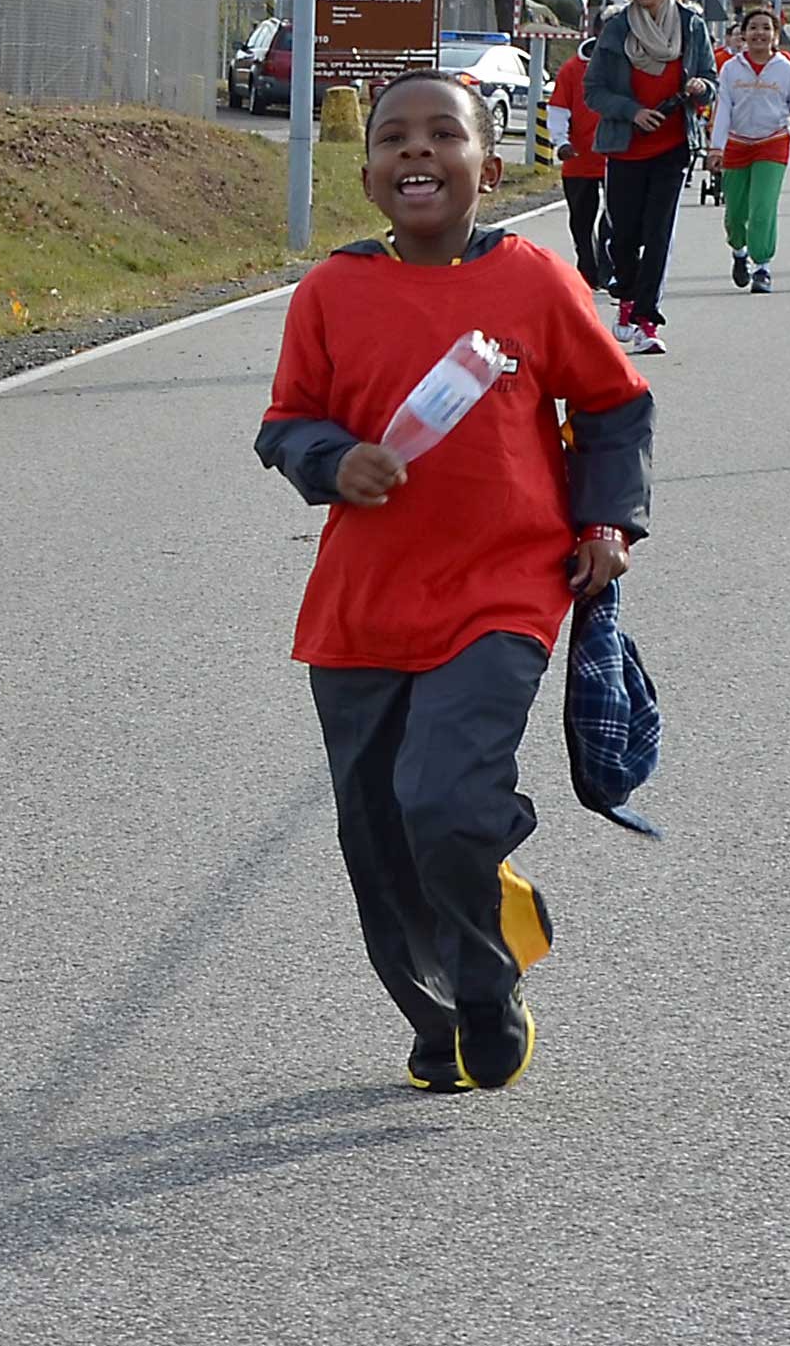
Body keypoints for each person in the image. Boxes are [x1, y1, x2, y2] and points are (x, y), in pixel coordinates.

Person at [255, 70, 657, 1093]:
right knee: (379, 841)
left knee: (443, 802)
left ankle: (485, 975)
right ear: (368, 173)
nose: (418, 153)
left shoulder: (531, 280)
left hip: (503, 588)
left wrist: (608, 521)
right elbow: (285, 421)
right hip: (360, 608)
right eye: (396, 139)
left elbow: (613, 405)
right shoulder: (332, 291)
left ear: (488, 164)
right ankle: (442, 1020)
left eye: (446, 135)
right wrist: (329, 458)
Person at [581, 0, 718, 354]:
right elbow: (594, 90)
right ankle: (625, 299)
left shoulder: (691, 26)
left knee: (658, 234)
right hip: (624, 148)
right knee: (624, 235)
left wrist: (700, 90)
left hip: (672, 147)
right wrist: (632, 111)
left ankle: (646, 320)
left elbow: (710, 78)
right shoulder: (617, 30)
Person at [712, 5, 790, 293]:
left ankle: (762, 266)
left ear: (775, 36)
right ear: (743, 35)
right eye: (753, 28)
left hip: (772, 144)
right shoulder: (730, 69)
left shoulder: (785, 71)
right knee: (735, 215)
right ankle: (739, 252)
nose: (759, 34)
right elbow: (723, 109)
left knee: (763, 207)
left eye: (766, 28)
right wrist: (716, 148)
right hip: (737, 145)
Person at [546, 40, 610, 293]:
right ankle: (588, 268)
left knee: (617, 217)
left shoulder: (627, 64)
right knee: (581, 220)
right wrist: (561, 141)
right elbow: (558, 108)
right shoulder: (572, 70)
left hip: (618, 155)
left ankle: (609, 267)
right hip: (579, 155)